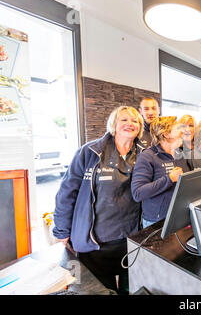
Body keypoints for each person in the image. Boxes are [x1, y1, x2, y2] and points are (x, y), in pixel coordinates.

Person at [53, 106, 145, 295]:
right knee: (101, 290)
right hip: (96, 241)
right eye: (124, 120)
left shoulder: (145, 155)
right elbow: (67, 192)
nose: (130, 124)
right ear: (114, 124)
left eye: (135, 121)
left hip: (130, 237)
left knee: (131, 289)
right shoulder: (90, 152)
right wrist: (61, 230)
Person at [131, 116, 191, 228]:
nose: (183, 131)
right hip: (158, 222)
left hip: (181, 217)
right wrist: (169, 179)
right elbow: (138, 193)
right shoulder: (147, 156)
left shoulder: (181, 154)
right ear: (166, 134)